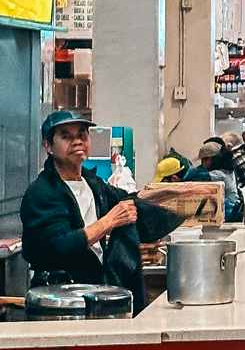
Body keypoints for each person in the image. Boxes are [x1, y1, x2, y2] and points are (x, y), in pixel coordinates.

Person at [20, 111, 180, 312]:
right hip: (58, 300)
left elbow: (128, 199)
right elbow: (59, 246)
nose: (77, 141)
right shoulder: (42, 192)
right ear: (48, 146)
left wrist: (171, 195)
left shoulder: (93, 183)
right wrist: (109, 221)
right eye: (66, 136)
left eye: (82, 135)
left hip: (94, 292)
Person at [198, 138, 242, 221]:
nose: (203, 163)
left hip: (228, 212)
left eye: (206, 159)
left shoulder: (221, 174)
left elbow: (198, 177)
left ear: (215, 159)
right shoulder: (228, 169)